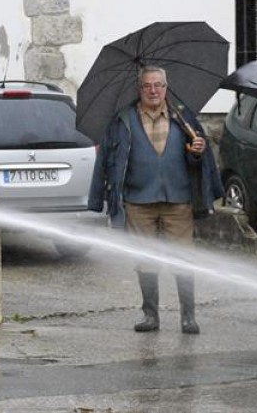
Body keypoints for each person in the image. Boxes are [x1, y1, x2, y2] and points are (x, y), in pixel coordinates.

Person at [88, 66, 223, 334]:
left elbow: (198, 158)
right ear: (139, 89)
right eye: (147, 85)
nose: (153, 90)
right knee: (145, 259)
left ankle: (188, 317)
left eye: (158, 85)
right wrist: (100, 198)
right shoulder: (123, 119)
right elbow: (107, 160)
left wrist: (197, 150)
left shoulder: (183, 118)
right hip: (138, 201)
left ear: (166, 87)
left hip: (178, 199)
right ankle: (151, 316)